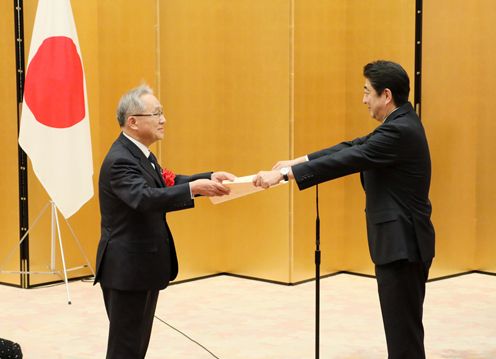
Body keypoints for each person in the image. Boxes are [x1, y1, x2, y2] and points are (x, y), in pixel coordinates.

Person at [253, 60, 435, 358]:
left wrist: (284, 176)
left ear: (385, 95)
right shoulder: (400, 122)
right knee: (402, 334)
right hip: (400, 244)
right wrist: (297, 161)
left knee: (404, 338)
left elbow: (349, 160)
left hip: (403, 247)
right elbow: (350, 146)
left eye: (367, 92)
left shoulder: (399, 131)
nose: (364, 100)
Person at [94, 84, 235, 359]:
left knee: (135, 347)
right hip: (126, 270)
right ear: (132, 122)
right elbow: (144, 198)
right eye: (156, 113)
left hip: (142, 266)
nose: (163, 120)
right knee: (125, 349)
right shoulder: (121, 159)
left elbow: (166, 181)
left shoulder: (139, 153)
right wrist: (194, 189)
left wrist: (206, 177)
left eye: (162, 113)